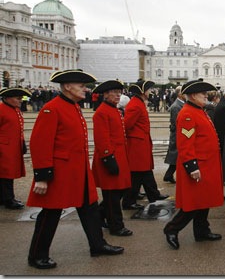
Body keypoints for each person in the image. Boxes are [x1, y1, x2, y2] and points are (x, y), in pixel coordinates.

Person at [27, 69, 123, 270]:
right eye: (81, 86)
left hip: (78, 170)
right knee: (50, 214)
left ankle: (97, 245)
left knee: (90, 209)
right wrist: (42, 177)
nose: (85, 90)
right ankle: (37, 255)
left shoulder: (73, 106)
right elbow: (40, 144)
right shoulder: (51, 108)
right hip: (59, 173)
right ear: (67, 87)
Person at [163, 79, 224, 250]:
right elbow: (185, 143)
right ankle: (171, 229)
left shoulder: (199, 110)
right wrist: (192, 166)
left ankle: (202, 230)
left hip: (207, 164)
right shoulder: (188, 114)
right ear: (191, 95)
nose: (206, 95)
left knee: (204, 202)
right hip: (198, 166)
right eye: (202, 93)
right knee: (193, 204)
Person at [91, 80, 133, 237]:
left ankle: (101, 216)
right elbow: (102, 139)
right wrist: (108, 158)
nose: (117, 95)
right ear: (106, 94)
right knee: (112, 196)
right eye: (114, 92)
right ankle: (116, 225)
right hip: (109, 157)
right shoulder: (102, 112)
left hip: (119, 156)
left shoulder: (114, 110)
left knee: (119, 191)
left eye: (119, 92)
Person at [122, 79, 168, 209]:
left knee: (145, 171)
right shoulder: (135, 105)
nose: (150, 92)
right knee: (137, 174)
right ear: (142, 92)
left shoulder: (138, 103)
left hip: (141, 143)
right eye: (148, 90)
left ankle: (153, 194)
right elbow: (127, 125)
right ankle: (128, 201)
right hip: (137, 145)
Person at [0, 87, 31, 209]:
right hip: (3, 147)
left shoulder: (15, 109)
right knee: (6, 174)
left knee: (7, 174)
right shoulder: (1, 110)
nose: (20, 101)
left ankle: (3, 197)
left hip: (12, 147)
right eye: (18, 98)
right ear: (8, 98)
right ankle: (8, 199)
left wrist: (22, 143)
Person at [163, 86, 184, 184]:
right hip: (177, 134)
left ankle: (168, 175)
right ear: (179, 94)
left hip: (178, 133)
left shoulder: (180, 104)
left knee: (176, 156)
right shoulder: (176, 106)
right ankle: (168, 175)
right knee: (176, 155)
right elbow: (177, 122)